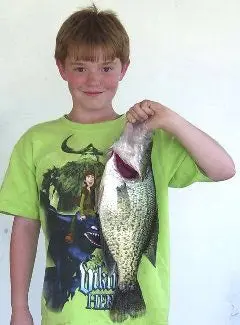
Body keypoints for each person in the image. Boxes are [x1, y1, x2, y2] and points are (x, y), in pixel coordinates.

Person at [0, 4, 235, 325]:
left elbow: (224, 169)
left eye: (107, 68)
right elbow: (25, 227)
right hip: (65, 316)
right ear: (61, 68)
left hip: (144, 315)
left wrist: (171, 120)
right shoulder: (35, 141)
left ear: (124, 68)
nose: (94, 79)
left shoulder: (148, 135)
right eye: (81, 67)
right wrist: (19, 308)